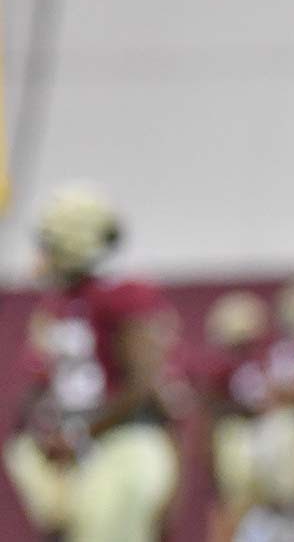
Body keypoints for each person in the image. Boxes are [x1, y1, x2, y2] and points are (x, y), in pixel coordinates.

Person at [3, 183, 180, 542]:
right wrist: (41, 434)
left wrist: (80, 436)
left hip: (123, 442)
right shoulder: (57, 304)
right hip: (78, 446)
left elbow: (142, 384)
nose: (43, 255)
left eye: (50, 243)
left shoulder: (126, 296)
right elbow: (42, 383)